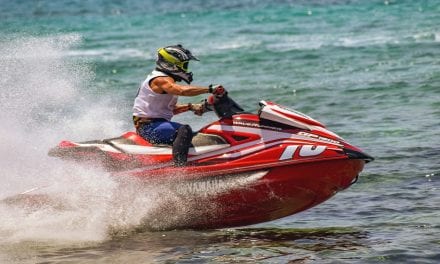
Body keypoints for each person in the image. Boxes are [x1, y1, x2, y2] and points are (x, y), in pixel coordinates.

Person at [133, 44, 225, 166]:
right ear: (172, 65)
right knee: (183, 130)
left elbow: (168, 110)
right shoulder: (160, 80)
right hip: (148, 127)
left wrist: (191, 106)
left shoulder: (164, 80)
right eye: (184, 65)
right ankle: (180, 168)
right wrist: (209, 89)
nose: (186, 70)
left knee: (195, 135)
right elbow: (181, 90)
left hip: (155, 124)